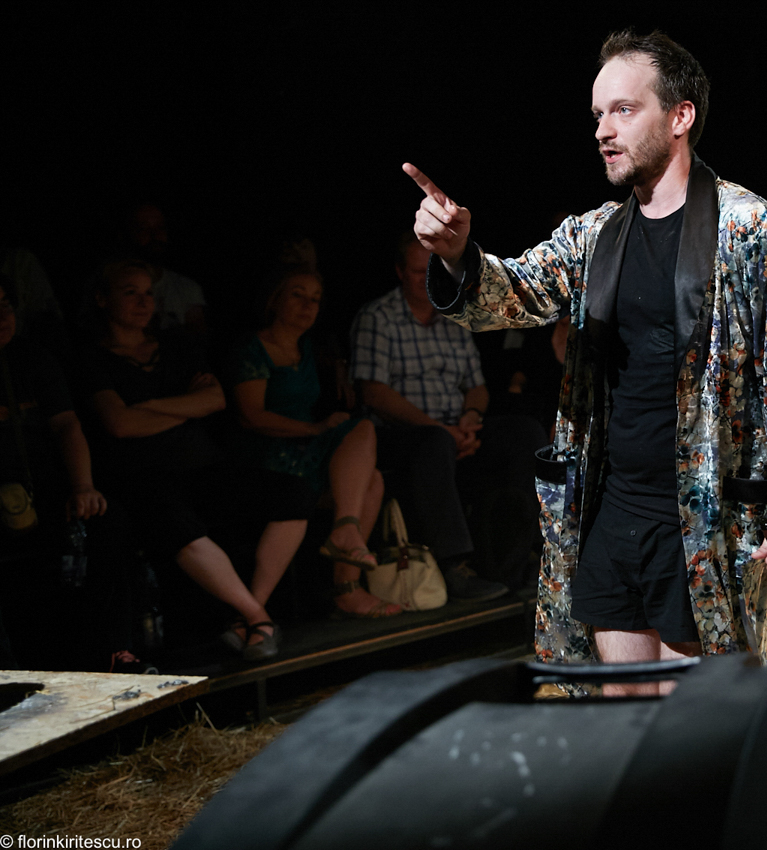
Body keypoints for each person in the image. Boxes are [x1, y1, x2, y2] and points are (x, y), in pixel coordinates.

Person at [410, 29, 767, 693]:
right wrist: (458, 255)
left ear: (680, 116)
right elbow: (512, 295)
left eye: (623, 110)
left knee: (695, 722)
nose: (603, 130)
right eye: (598, 115)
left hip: (701, 519)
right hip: (611, 511)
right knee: (624, 714)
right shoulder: (594, 236)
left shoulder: (748, 229)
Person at [81, 261, 313, 661]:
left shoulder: (176, 345)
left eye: (148, 293)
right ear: (103, 299)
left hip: (202, 466)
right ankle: (258, 618)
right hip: (142, 474)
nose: (143, 301)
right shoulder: (92, 358)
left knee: (293, 494)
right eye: (130, 292)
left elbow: (216, 400)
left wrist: (147, 406)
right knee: (172, 519)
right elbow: (119, 423)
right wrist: (185, 407)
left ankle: (247, 614)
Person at [348, 234, 523, 600]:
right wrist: (441, 430)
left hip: (453, 428)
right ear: (400, 272)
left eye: (433, 270)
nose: (426, 278)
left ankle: (521, 557)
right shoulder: (378, 317)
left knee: (521, 433)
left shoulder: (452, 317)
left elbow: (476, 387)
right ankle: (454, 565)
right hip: (401, 434)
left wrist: (470, 418)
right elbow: (374, 393)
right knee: (434, 443)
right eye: (417, 271)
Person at [229, 266, 399, 621]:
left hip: (306, 448)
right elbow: (251, 416)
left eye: (315, 299)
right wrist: (315, 428)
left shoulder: (307, 348)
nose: (308, 305)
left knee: (372, 475)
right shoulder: (252, 348)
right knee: (362, 435)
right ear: (275, 299)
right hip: (269, 455)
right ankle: (346, 562)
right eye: (298, 295)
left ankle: (347, 576)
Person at [0, 272, 136, 670]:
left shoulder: (32, 358)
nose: (1, 316)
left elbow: (66, 424)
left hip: (44, 487)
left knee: (110, 522)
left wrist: (82, 486)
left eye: (5, 305)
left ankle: (112, 651)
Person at [122, 203, 208, 334]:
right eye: (143, 229)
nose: (154, 235)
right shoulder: (113, 287)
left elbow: (198, 338)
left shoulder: (187, 288)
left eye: (160, 228)